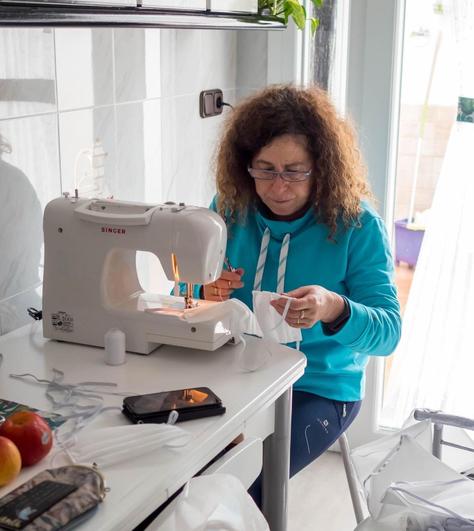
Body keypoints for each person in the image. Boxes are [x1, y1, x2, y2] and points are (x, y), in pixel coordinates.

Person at [201, 85, 402, 495]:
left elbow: (389, 333)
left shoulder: (357, 225)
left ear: (322, 167)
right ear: (245, 165)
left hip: (319, 388)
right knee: (180, 474)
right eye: (265, 168)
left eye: (295, 171)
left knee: (244, 489)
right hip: (235, 373)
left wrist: (333, 308)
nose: (278, 187)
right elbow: (183, 289)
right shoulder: (227, 208)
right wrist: (204, 291)